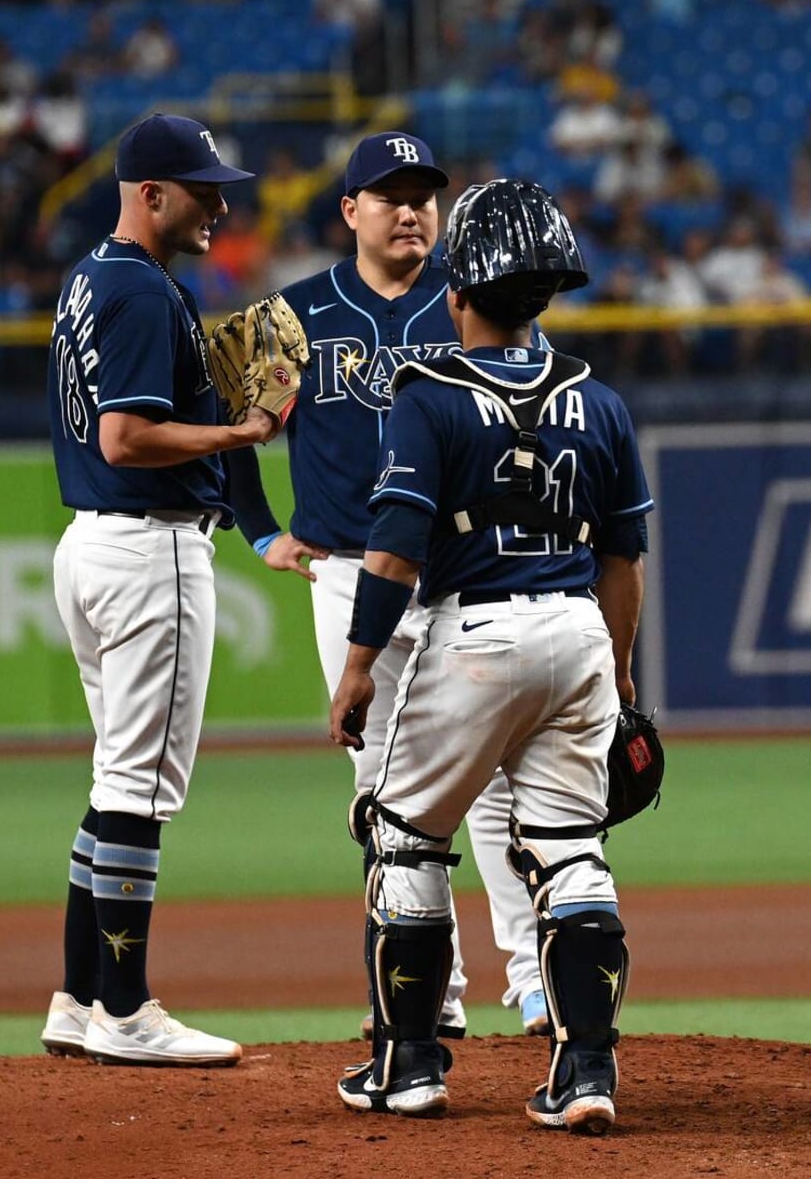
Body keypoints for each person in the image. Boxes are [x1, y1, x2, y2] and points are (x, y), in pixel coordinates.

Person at [327, 178, 652, 1131]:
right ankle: (585, 1073)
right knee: (569, 853)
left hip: (476, 633)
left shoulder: (426, 397)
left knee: (404, 836)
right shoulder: (602, 400)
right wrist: (622, 672)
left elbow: (392, 549)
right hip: (579, 632)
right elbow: (623, 561)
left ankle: (408, 1063)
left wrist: (357, 666)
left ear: (458, 291)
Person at [228, 132, 552, 1039]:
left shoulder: (472, 306)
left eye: (423, 195)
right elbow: (229, 430)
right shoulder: (289, 315)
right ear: (350, 211)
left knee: (490, 785)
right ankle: (425, 997)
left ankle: (531, 981)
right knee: (383, 791)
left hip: (459, 579)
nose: (410, 209)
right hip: (342, 574)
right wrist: (261, 532)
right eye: (388, 194)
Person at [40, 113, 268, 1066]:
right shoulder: (138, 291)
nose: (221, 202)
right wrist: (238, 433)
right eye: (203, 186)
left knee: (114, 775)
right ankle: (127, 1010)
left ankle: (80, 994)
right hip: (150, 552)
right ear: (149, 193)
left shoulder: (93, 277)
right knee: (141, 783)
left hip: (94, 547)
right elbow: (125, 438)